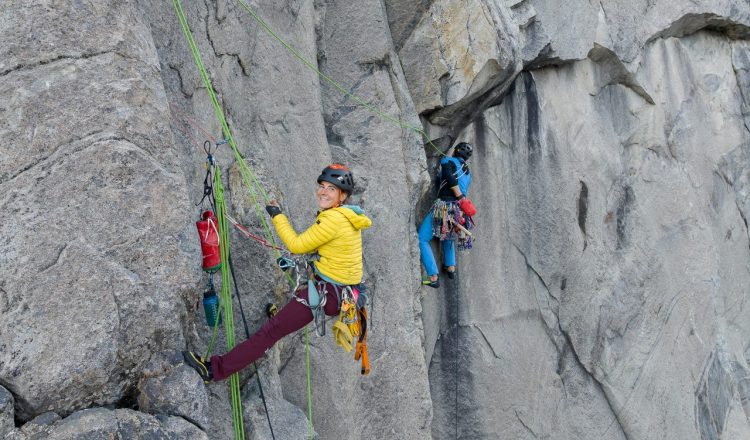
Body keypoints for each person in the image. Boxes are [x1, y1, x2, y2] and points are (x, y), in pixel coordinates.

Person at [184, 163, 372, 382]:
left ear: (343, 196)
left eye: (331, 189)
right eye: (322, 186)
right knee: (285, 304)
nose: (323, 191)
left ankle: (214, 370)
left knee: (270, 332)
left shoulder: (333, 219)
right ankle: (283, 316)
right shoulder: (349, 217)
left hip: (327, 293)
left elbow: (296, 245)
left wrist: (277, 216)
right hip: (341, 292)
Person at [418, 142, 476, 288]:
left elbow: (451, 179)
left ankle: (432, 276)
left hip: (445, 206)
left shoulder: (447, 161)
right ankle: (450, 267)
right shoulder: (468, 173)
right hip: (458, 210)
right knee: (448, 236)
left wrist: (460, 196)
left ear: (456, 150)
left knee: (422, 238)